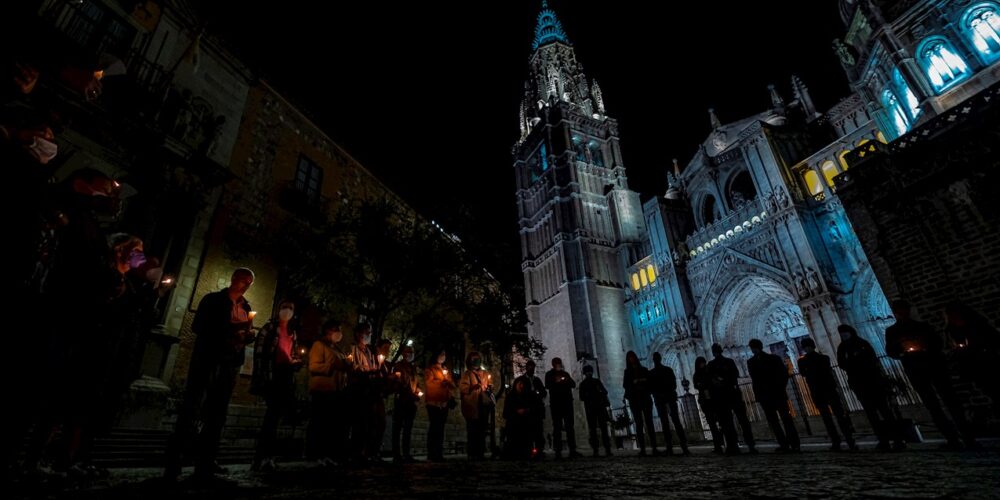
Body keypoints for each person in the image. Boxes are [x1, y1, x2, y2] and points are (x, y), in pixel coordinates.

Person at [164, 267, 256, 482]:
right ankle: (175, 461)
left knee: (217, 413)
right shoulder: (213, 300)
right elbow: (199, 326)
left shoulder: (246, 307)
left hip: (229, 365)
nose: (245, 284)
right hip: (207, 361)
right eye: (243, 279)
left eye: (249, 282)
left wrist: (247, 336)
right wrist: (231, 330)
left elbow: (243, 335)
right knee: (192, 408)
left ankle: (205, 461)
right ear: (233, 278)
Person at [885, 300, 975, 449]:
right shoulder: (892, 331)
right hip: (915, 370)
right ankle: (951, 438)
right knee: (933, 405)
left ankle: (967, 436)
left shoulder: (923, 327)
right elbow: (891, 351)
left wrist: (924, 348)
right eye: (898, 310)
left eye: (903, 309)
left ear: (908, 310)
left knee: (951, 402)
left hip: (934, 367)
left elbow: (938, 344)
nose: (901, 313)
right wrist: (902, 349)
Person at [250, 300, 303, 471]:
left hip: (285, 377)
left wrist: (296, 362)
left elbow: (293, 354)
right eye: (284, 307)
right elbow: (259, 353)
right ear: (278, 310)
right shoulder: (269, 328)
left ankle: (267, 456)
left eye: (291, 308)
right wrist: (262, 377)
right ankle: (262, 457)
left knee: (276, 416)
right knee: (271, 417)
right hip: (273, 375)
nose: (287, 310)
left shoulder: (292, 333)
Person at [836, 324, 904, 451]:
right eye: (841, 333)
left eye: (845, 332)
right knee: (871, 413)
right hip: (858, 382)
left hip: (873, 381)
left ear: (851, 332)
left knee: (885, 410)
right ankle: (883, 440)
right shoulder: (842, 347)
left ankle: (897, 439)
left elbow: (871, 358)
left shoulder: (862, 343)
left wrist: (854, 363)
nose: (843, 335)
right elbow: (841, 363)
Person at [798, 337, 855, 451]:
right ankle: (844, 440)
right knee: (832, 416)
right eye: (806, 347)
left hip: (821, 390)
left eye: (807, 346)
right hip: (826, 389)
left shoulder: (803, 361)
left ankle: (843, 440)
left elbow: (803, 373)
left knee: (834, 416)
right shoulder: (823, 358)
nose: (807, 349)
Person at [306, 319, 350, 466]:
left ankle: (327, 454)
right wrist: (332, 366)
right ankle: (315, 454)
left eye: (340, 329)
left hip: (336, 391)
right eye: (336, 329)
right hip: (322, 390)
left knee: (330, 425)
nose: (339, 333)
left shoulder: (337, 348)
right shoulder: (319, 345)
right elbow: (314, 367)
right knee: (319, 423)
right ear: (327, 331)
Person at [747, 339, 799, 452]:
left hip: (774, 393)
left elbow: (783, 374)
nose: (753, 350)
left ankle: (790, 442)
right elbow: (755, 380)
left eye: (753, 347)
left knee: (783, 419)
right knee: (777, 420)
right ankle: (787, 443)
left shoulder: (771, 359)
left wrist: (779, 388)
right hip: (769, 395)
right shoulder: (753, 361)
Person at [707, 343, 756, 454]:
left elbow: (711, 381)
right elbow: (734, 375)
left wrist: (720, 381)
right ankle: (749, 445)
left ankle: (732, 445)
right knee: (740, 421)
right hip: (731, 394)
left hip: (723, 396)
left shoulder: (712, 365)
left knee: (728, 422)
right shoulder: (728, 362)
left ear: (714, 352)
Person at [347, 323, 379, 464]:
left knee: (366, 423)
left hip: (368, 390)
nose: (369, 335)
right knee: (357, 422)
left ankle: (363, 452)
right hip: (357, 388)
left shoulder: (369, 352)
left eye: (370, 333)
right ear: (359, 334)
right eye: (367, 333)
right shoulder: (352, 349)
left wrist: (375, 372)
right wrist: (367, 371)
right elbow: (352, 366)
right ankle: (354, 452)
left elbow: (372, 367)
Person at [649, 352, 689, 455]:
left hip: (663, 399)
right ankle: (681, 445)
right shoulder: (666, 370)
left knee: (668, 422)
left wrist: (659, 393)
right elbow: (673, 385)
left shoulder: (653, 373)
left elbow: (652, 388)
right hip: (667, 398)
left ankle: (672, 446)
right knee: (673, 422)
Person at [544, 357, 581, 458]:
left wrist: (566, 379)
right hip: (556, 404)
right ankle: (558, 451)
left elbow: (573, 384)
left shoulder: (565, 374)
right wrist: (556, 381)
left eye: (559, 363)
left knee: (569, 426)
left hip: (567, 403)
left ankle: (572, 450)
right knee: (557, 427)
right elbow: (547, 385)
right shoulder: (549, 374)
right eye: (557, 364)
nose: (558, 365)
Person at [623, 351, 657, 456]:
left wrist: (642, 381)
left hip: (645, 398)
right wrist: (634, 382)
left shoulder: (644, 370)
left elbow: (650, 383)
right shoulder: (627, 372)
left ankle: (654, 448)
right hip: (635, 399)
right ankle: (642, 448)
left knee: (649, 423)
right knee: (638, 423)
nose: (631, 359)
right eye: (629, 358)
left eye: (633, 357)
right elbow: (625, 385)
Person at [391, 345, 421, 463]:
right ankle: (397, 454)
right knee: (397, 427)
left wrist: (417, 391)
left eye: (412, 352)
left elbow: (415, 383)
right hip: (401, 400)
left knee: (408, 428)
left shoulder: (413, 368)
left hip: (411, 402)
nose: (410, 354)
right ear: (403, 353)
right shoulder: (398, 366)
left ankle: (406, 453)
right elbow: (399, 383)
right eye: (408, 351)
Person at [459, 351, 492, 460]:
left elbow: (490, 385)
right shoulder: (467, 374)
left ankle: (480, 453)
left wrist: (489, 387)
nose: (476, 361)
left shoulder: (485, 373)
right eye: (473, 359)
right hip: (472, 406)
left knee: (482, 430)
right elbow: (463, 389)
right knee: (472, 430)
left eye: (477, 358)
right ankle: (472, 453)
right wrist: (472, 387)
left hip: (483, 405)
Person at [424, 349, 455, 462]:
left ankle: (439, 452)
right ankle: (431, 452)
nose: (443, 356)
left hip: (444, 403)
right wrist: (440, 383)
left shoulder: (445, 369)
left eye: (444, 354)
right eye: (441, 354)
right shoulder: (431, 369)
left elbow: (452, 385)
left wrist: (448, 382)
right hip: (433, 402)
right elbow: (429, 383)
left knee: (441, 428)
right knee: (434, 427)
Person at [513, 360, 547, 456]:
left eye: (533, 367)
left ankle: (539, 450)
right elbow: (517, 394)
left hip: (536, 409)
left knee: (538, 431)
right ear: (526, 368)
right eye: (530, 367)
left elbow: (543, 392)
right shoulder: (520, 380)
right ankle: (528, 450)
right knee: (527, 430)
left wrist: (538, 394)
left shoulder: (537, 380)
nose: (531, 369)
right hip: (527, 409)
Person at [577, 364, 612, 457]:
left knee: (601, 428)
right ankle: (597, 449)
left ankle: (605, 448)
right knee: (594, 429)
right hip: (592, 408)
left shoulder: (595, 382)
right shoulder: (584, 384)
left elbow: (604, 391)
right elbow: (582, 397)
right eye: (588, 372)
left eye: (590, 371)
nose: (589, 373)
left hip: (597, 407)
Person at [692, 356, 724, 453]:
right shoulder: (697, 375)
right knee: (711, 423)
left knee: (720, 421)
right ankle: (717, 445)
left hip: (714, 398)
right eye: (701, 363)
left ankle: (722, 440)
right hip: (705, 400)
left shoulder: (709, 372)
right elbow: (696, 385)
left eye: (704, 362)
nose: (703, 365)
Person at [502, 378, 539, 460]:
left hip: (526, 424)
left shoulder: (530, 396)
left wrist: (526, 410)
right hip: (514, 425)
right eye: (519, 384)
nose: (521, 386)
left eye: (523, 384)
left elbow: (535, 409)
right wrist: (516, 412)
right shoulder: (510, 397)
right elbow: (505, 413)